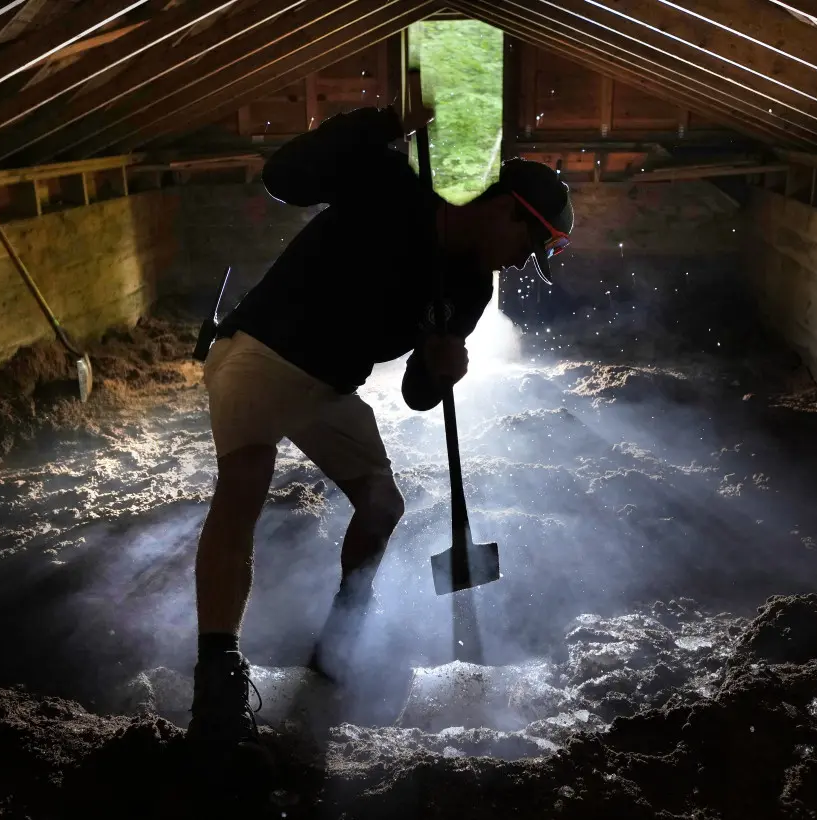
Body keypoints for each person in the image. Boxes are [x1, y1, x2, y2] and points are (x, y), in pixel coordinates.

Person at [187, 102, 575, 772]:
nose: (520, 264)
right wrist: (377, 127)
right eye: (526, 246)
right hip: (259, 350)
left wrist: (440, 368)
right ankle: (217, 678)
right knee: (247, 476)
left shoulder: (469, 289)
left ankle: (342, 627)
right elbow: (284, 177)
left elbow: (416, 396)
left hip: (329, 386)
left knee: (383, 506)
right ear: (506, 208)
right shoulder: (392, 186)